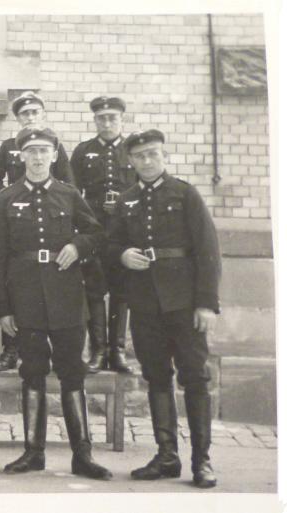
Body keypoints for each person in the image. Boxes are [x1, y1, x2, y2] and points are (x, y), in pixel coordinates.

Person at [0, 127, 112, 481]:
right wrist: (4, 309)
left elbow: (96, 232)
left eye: (45, 151)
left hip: (66, 295)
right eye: (31, 152)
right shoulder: (6, 199)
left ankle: (82, 455)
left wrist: (78, 246)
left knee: (71, 369)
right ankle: (33, 451)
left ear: (55, 155)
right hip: (25, 296)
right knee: (32, 370)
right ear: (21, 157)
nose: (38, 157)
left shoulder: (69, 194)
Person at [107, 129, 220, 488]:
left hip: (185, 302)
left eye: (153, 154)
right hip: (145, 304)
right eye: (139, 156)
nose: (147, 161)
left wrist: (206, 303)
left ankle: (201, 461)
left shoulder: (184, 194)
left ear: (164, 155)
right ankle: (167, 456)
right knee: (156, 376)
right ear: (131, 161)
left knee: (195, 377)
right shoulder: (125, 201)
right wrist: (122, 255)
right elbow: (110, 246)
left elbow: (208, 249)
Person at [0, 91, 74, 373]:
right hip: (16, 218)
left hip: (49, 218)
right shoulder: (7, 147)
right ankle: (10, 349)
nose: (30, 117)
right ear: (17, 118)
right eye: (24, 114)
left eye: (35, 112)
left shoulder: (54, 148)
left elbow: (67, 183)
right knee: (14, 287)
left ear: (43, 114)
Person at [71, 96, 138, 373]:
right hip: (95, 229)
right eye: (102, 118)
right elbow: (73, 193)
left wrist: (123, 204)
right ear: (95, 120)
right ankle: (98, 351)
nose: (107, 123)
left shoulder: (133, 150)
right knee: (95, 290)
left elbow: (141, 189)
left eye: (112, 118)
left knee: (121, 291)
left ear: (121, 119)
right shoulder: (83, 151)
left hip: (124, 230)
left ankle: (118, 351)